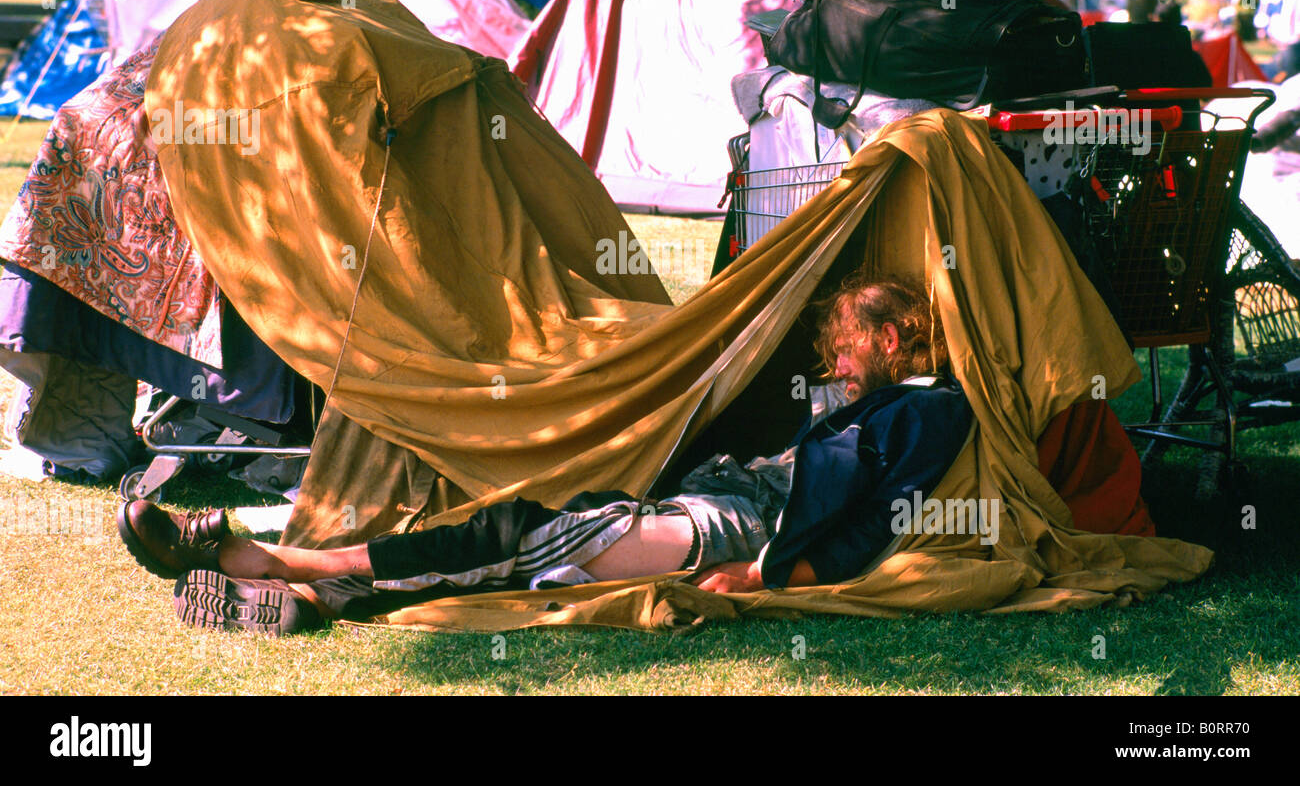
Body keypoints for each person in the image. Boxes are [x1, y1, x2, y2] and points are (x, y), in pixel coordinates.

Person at [117, 271, 973, 635]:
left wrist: (767, 576)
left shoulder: (923, 413)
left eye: (848, 349)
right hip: (716, 505)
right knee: (513, 540)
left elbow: (866, 531)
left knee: (517, 543)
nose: (835, 366)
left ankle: (257, 555)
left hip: (733, 530)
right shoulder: (887, 408)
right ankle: (302, 593)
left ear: (895, 335)